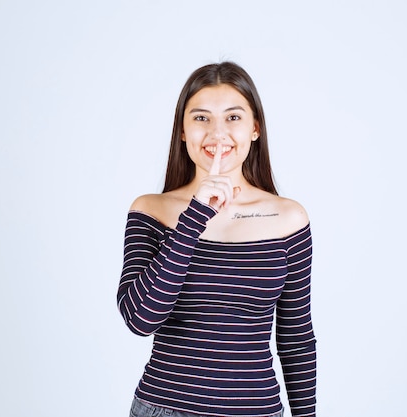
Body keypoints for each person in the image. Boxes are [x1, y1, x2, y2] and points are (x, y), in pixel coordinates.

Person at [117, 61, 316, 417]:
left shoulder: (289, 219)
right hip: (165, 408)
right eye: (201, 118)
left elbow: (296, 338)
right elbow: (140, 318)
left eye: (233, 118)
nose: (217, 133)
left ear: (255, 129)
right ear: (182, 131)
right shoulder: (152, 210)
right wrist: (195, 215)